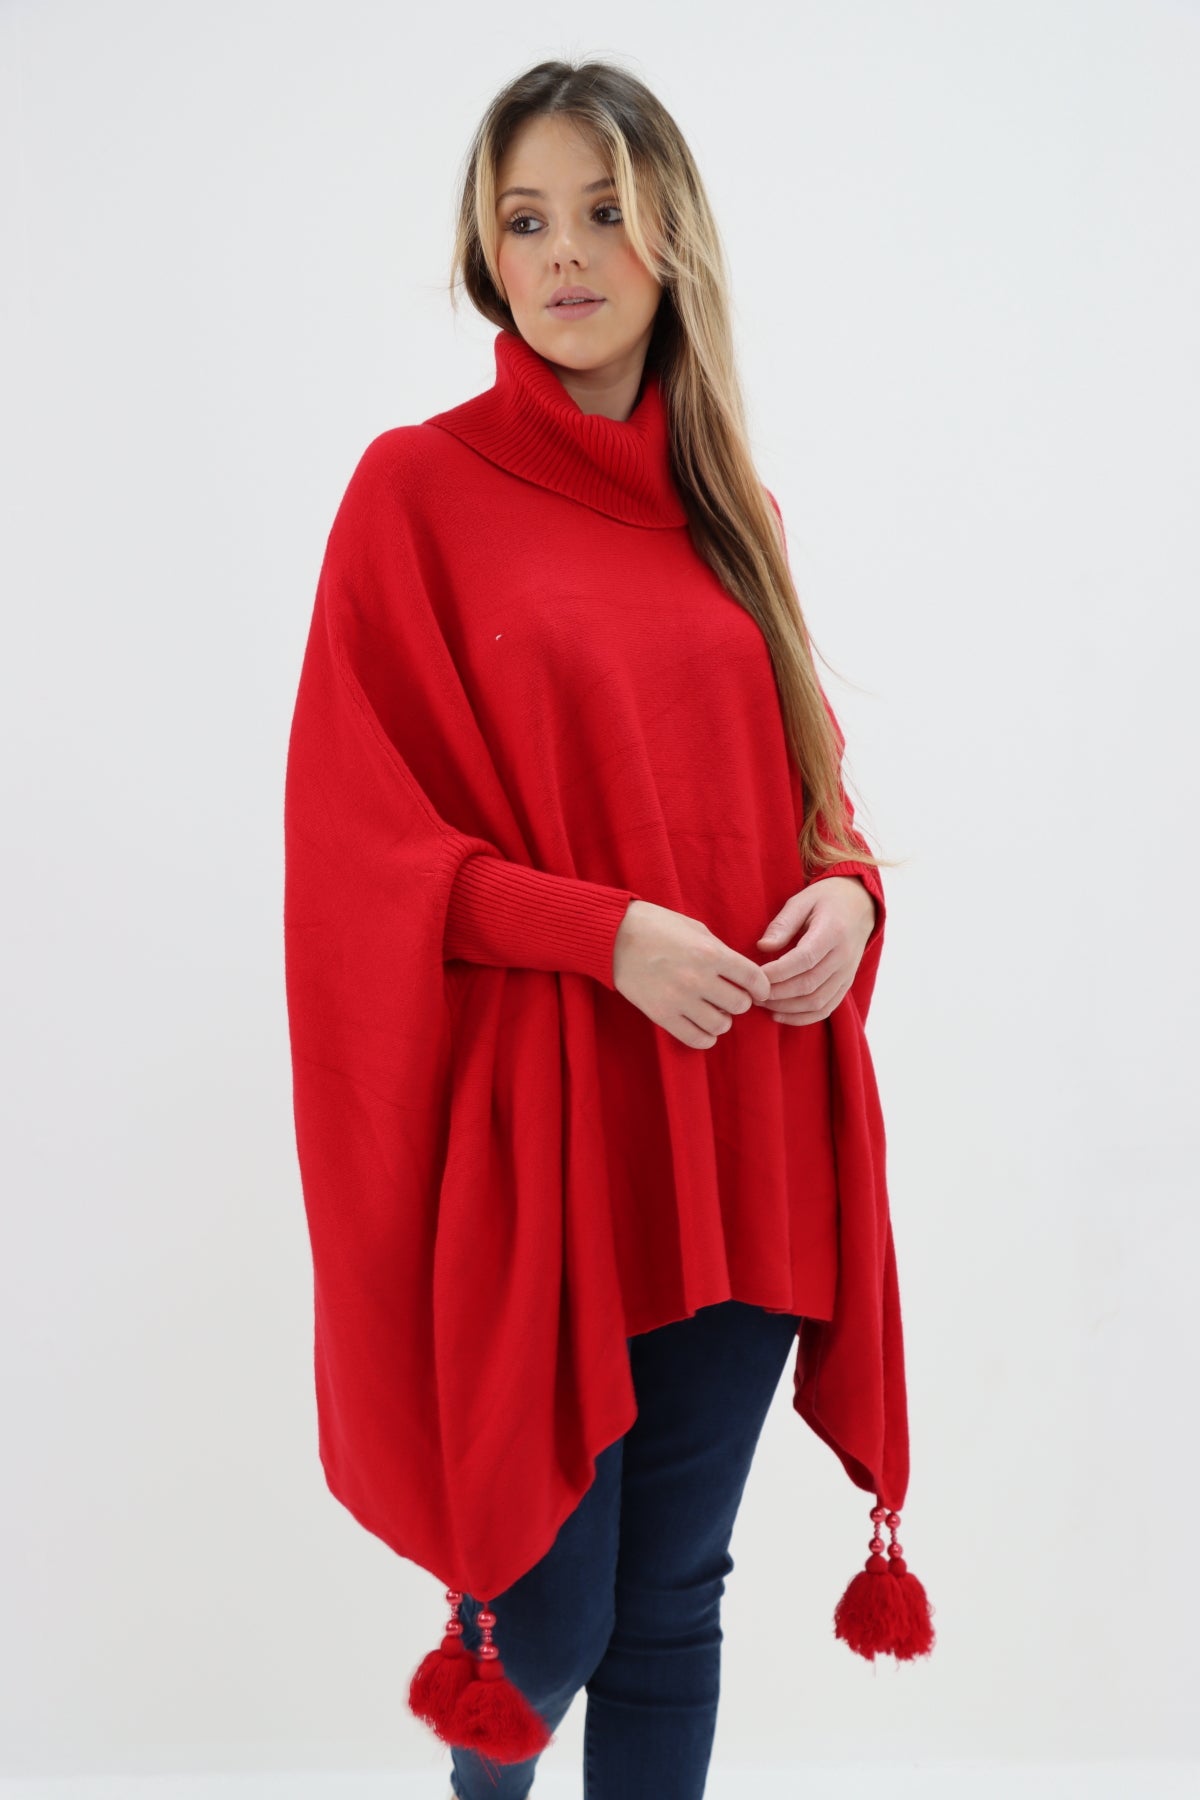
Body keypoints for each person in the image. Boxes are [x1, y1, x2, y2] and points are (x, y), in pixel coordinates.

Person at [283, 56, 934, 1800]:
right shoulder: (414, 493)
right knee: (544, 1616)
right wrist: (604, 932)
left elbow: (810, 794)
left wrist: (847, 895)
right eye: (523, 219)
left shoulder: (736, 514)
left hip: (741, 1116)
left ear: (672, 239)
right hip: (552, 1134)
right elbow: (357, 844)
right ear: (483, 254)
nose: (563, 252)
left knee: (673, 1606)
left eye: (602, 211)